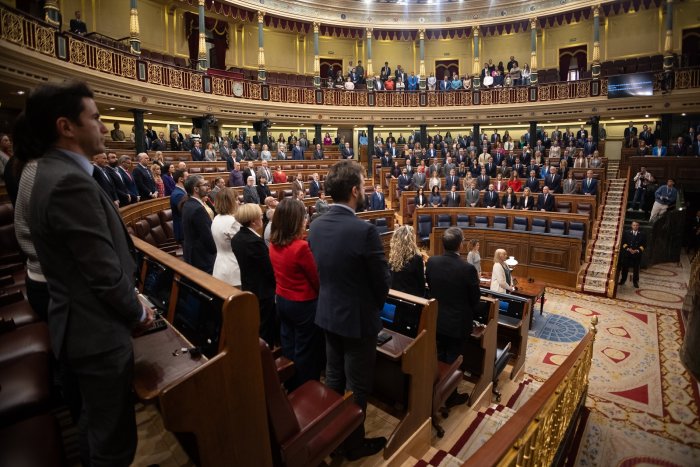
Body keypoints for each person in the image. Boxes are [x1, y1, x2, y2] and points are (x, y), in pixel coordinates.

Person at [25, 81, 153, 467]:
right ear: (67, 127)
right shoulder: (67, 182)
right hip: (95, 335)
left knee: (94, 429)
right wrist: (140, 311)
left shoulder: (50, 172)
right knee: (112, 445)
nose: (102, 126)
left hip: (81, 327)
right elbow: (101, 273)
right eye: (95, 118)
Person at [307, 160, 390, 460]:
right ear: (355, 191)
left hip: (328, 314)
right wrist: (373, 308)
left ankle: (333, 438)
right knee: (357, 385)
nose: (366, 189)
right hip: (357, 322)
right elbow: (382, 282)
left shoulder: (315, 225)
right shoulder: (363, 230)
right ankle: (353, 445)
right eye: (364, 185)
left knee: (333, 378)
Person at [269, 198, 322, 391]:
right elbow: (316, 280)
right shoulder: (300, 247)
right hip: (303, 305)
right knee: (305, 350)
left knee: (289, 346)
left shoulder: (274, 244)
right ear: (295, 220)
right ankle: (305, 390)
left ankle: (291, 384)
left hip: (282, 301)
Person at [426, 227, 481, 404]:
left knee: (440, 356)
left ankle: (435, 390)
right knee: (454, 359)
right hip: (458, 324)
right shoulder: (467, 269)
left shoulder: (432, 262)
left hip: (437, 320)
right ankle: (449, 396)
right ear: (461, 244)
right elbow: (475, 299)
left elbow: (431, 288)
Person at [231, 203, 277, 346]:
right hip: (263, 290)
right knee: (265, 327)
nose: (262, 218)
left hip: (249, 284)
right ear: (253, 221)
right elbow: (268, 270)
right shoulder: (255, 242)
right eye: (260, 216)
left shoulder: (237, 237)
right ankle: (265, 359)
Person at [182, 175, 216, 273]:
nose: (208, 187)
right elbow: (208, 237)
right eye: (204, 185)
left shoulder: (188, 204)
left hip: (192, 255)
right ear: (196, 189)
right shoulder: (198, 209)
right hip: (202, 259)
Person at [211, 187, 242, 287]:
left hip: (219, 266)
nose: (239, 202)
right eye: (236, 200)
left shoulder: (217, 218)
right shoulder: (232, 222)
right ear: (230, 203)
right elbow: (244, 247)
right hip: (234, 268)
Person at [388, 225, 425, 297]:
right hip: (412, 300)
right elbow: (421, 284)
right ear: (411, 240)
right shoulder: (416, 258)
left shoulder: (392, 258)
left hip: (394, 298)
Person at [618, 221, 646, 288]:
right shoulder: (626, 233)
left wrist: (637, 250)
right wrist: (628, 249)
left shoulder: (642, 234)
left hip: (636, 254)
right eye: (634, 225)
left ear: (638, 226)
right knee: (625, 268)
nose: (635, 226)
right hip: (627, 253)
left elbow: (644, 245)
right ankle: (623, 280)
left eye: (636, 225)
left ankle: (635, 282)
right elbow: (623, 242)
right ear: (631, 226)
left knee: (636, 269)